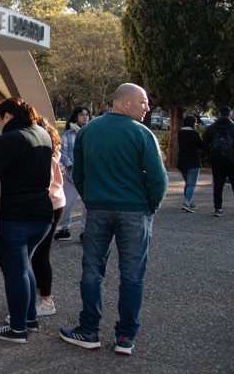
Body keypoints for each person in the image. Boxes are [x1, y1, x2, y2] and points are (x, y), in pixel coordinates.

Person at [60, 83, 168, 356]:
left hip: (97, 209)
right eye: (143, 102)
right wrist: (149, 207)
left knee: (93, 270)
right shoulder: (143, 134)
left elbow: (79, 173)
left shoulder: (88, 131)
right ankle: (125, 336)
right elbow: (158, 179)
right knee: (132, 275)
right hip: (134, 211)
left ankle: (89, 329)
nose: (147, 107)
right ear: (127, 103)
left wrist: (92, 199)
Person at [0, 98, 54, 344]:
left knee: (15, 273)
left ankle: (18, 328)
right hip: (42, 215)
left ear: (7, 116)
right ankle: (29, 319)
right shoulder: (42, 134)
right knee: (25, 267)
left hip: (14, 217)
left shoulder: (9, 140)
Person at [29, 117, 65, 317]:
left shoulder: (47, 153)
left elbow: (45, 180)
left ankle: (47, 299)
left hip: (50, 204)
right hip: (54, 203)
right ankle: (40, 295)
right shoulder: (49, 149)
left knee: (42, 254)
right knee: (38, 254)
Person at [203, 105, 234, 217]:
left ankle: (218, 209)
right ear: (230, 114)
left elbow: (204, 145)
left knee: (218, 185)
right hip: (232, 160)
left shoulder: (211, 128)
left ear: (219, 114)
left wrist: (211, 154)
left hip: (217, 161)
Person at [55, 106, 90, 241]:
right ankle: (65, 229)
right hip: (71, 176)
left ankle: (85, 233)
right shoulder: (69, 134)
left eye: (87, 115)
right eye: (81, 115)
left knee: (87, 207)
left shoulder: (91, 132)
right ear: (76, 117)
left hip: (88, 176)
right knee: (67, 204)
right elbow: (62, 152)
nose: (85, 117)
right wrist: (70, 164)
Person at [177, 115, 205, 213]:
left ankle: (188, 200)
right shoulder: (195, 133)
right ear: (192, 123)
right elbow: (201, 146)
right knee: (191, 184)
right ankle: (187, 202)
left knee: (187, 183)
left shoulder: (180, 133)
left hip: (181, 160)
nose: (196, 124)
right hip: (193, 160)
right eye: (195, 122)